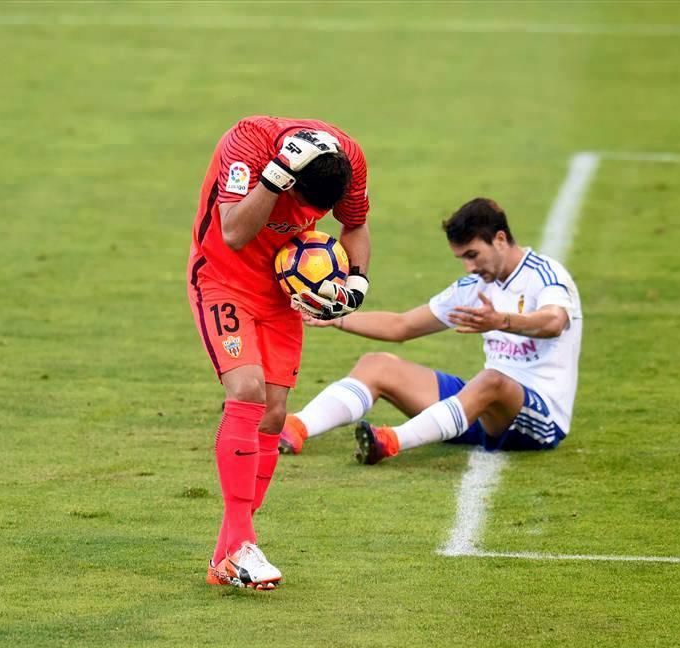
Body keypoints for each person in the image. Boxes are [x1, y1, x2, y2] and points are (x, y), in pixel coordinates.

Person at [187, 116, 371, 589]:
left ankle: (224, 559)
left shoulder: (348, 159)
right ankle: (244, 546)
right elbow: (233, 232)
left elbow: (355, 227)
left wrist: (355, 284)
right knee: (245, 389)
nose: (307, 220)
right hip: (222, 281)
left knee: (273, 413)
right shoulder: (246, 145)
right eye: (302, 208)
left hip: (281, 292)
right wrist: (273, 176)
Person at [279, 198, 582, 466]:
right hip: (481, 408)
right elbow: (403, 326)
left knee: (492, 381)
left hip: (539, 418)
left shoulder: (545, 275)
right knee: (377, 365)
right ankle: (296, 426)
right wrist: (338, 319)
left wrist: (502, 321)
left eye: (473, 255)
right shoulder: (474, 287)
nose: (468, 267)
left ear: (500, 239)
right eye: (462, 258)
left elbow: (555, 321)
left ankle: (389, 442)